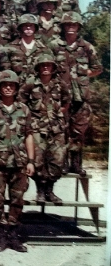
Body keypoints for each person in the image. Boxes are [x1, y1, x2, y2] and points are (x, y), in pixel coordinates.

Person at [0, 70, 35, 253]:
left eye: (11, 85)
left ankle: (13, 234)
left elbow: (29, 135)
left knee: (17, 199)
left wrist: (30, 161)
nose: (8, 88)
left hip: (19, 162)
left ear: (16, 88)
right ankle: (1, 234)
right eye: (4, 85)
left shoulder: (24, 109)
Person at [48, 12, 102, 176]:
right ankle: (62, 163)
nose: (70, 28)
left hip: (81, 97)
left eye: (74, 25)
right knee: (61, 130)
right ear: (63, 27)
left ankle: (76, 165)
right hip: (60, 96)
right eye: (67, 25)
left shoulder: (86, 47)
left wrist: (86, 73)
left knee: (79, 131)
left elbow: (98, 68)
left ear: (78, 27)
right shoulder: (54, 45)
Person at [19, 53, 71, 203]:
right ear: (38, 68)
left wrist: (56, 114)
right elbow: (22, 103)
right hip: (36, 129)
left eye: (49, 65)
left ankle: (50, 190)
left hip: (56, 129)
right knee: (37, 160)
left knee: (57, 160)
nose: (46, 67)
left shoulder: (60, 85)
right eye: (43, 65)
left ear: (53, 67)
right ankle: (40, 191)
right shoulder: (30, 84)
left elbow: (66, 103)